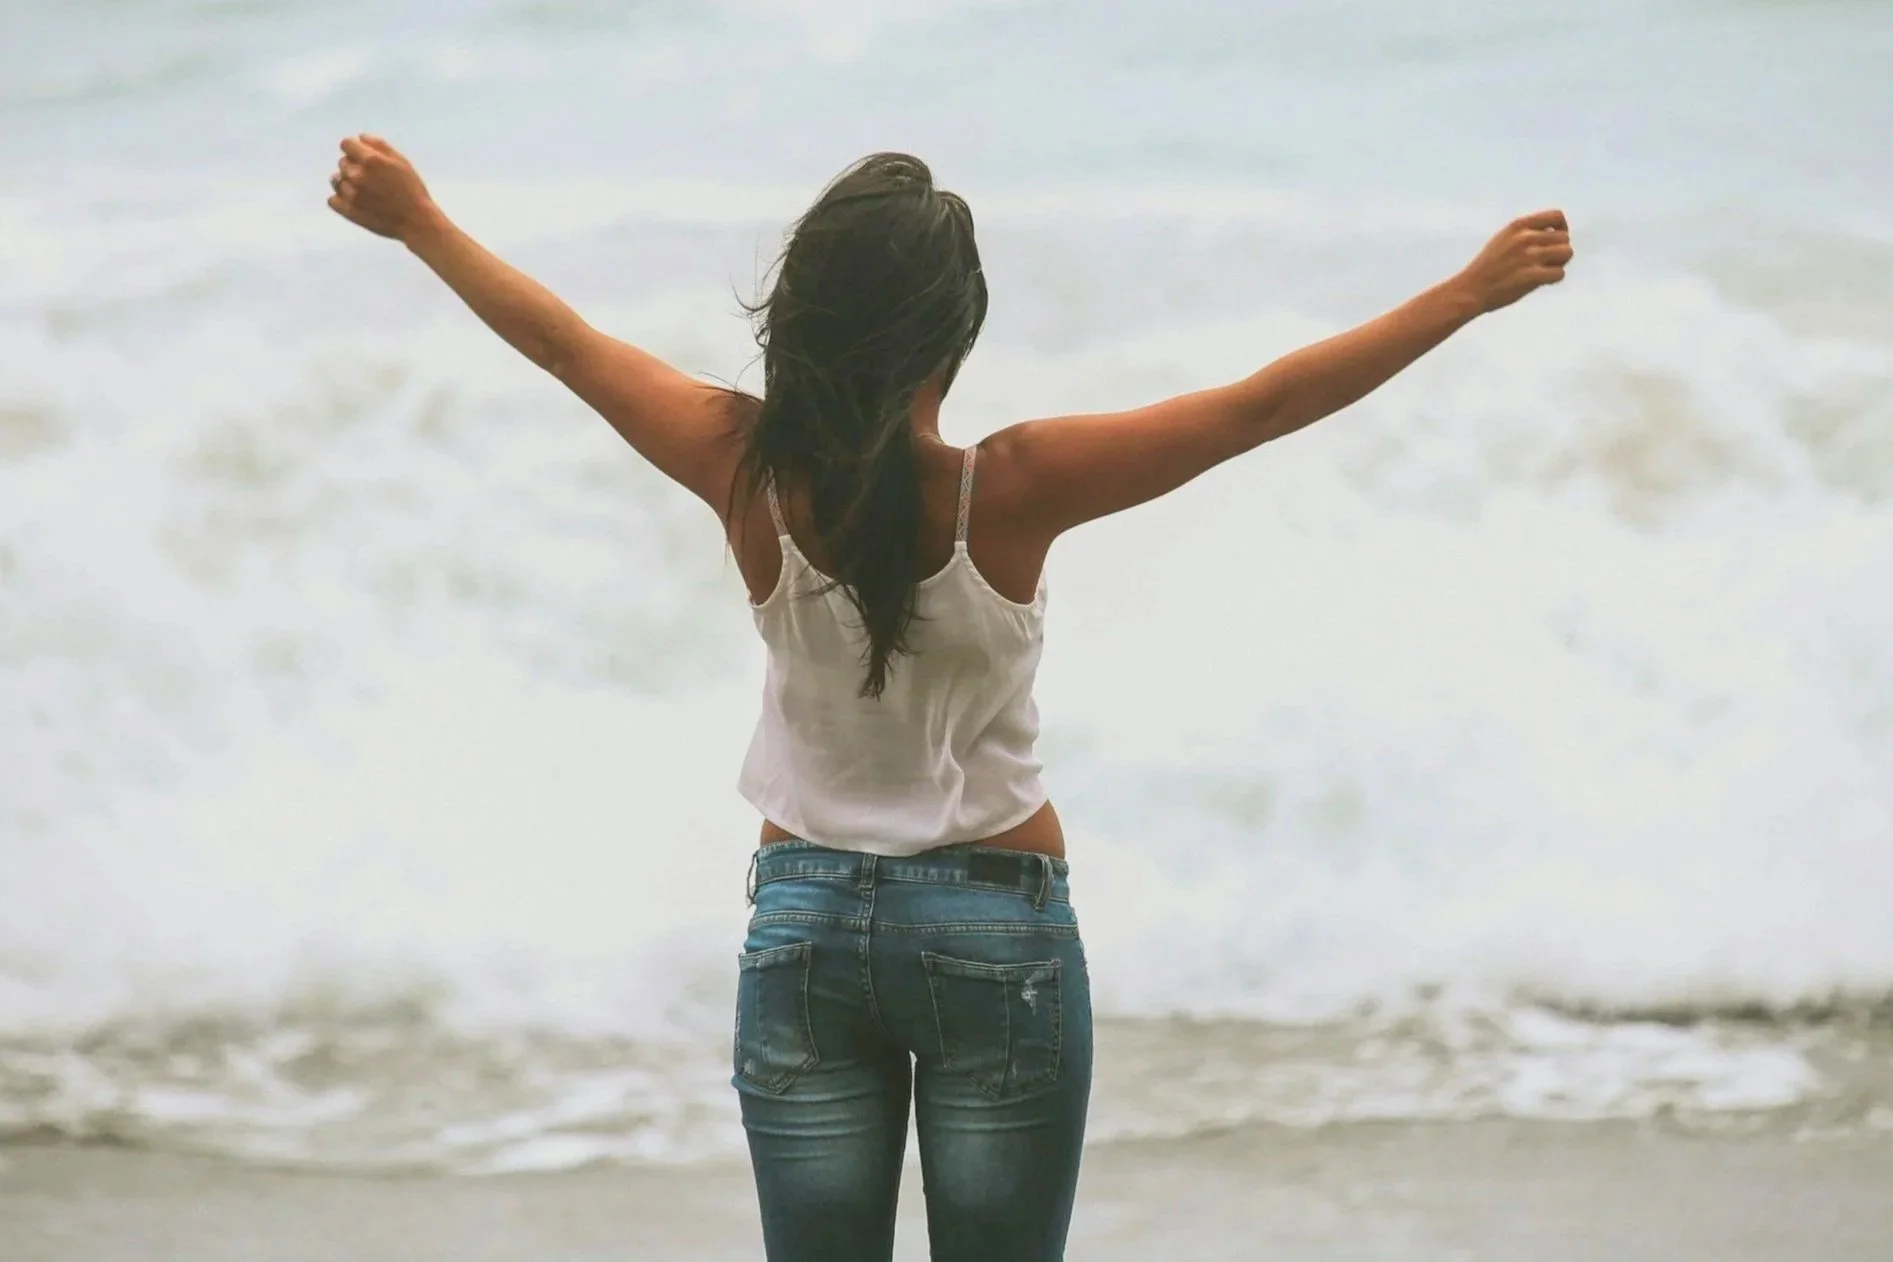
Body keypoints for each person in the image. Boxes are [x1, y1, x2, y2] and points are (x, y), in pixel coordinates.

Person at [326, 135, 1573, 1261]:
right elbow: (1258, 408)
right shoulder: (1013, 485)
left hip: (802, 924)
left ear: (802, 321)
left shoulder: (740, 466)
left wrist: (420, 220)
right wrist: (1465, 293)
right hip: (995, 926)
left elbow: (562, 343)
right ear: (955, 332)